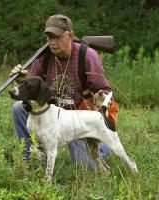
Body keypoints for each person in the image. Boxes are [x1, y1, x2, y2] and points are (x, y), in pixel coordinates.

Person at [10, 14, 113, 171]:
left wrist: (99, 101)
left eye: (56, 37)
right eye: (49, 37)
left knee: (84, 167)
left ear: (70, 35)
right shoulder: (42, 58)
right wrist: (22, 80)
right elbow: (33, 92)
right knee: (18, 108)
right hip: (54, 119)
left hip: (79, 122)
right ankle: (31, 157)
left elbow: (106, 94)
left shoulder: (88, 56)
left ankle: (102, 147)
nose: (52, 42)